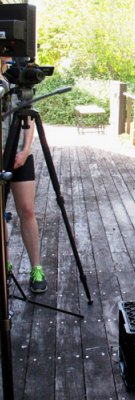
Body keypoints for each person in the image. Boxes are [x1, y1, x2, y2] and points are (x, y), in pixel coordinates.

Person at [1, 57, 47, 293]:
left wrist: (25, 150)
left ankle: (36, 268)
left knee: (27, 210)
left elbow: (28, 115)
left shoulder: (18, 71)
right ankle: (5, 266)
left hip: (20, 154)